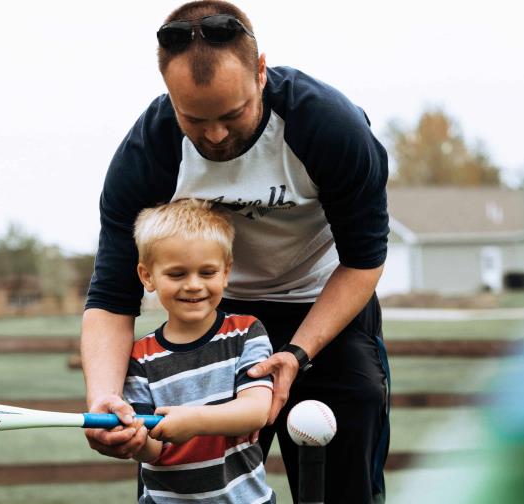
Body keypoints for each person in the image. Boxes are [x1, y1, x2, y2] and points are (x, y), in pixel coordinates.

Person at [81, 1, 391, 502]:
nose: (216, 135)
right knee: (187, 482)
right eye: (194, 118)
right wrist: (104, 399)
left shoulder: (328, 127)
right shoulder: (148, 152)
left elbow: (363, 261)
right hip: (212, 313)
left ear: (261, 72)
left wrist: (296, 353)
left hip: (322, 304)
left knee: (347, 464)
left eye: (232, 113)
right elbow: (112, 296)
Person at [122, 199, 275, 503]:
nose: (193, 285)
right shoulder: (140, 356)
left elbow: (256, 411)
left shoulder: (246, 332)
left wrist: (192, 422)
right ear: (147, 276)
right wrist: (134, 439)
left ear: (226, 272)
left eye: (207, 273)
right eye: (177, 274)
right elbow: (151, 450)